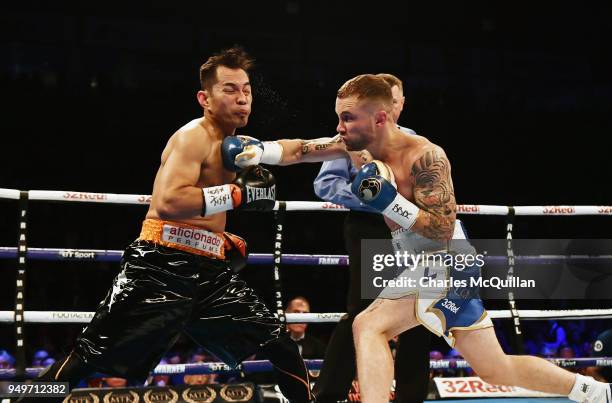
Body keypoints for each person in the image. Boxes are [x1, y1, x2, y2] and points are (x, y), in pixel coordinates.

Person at [222, 74, 612, 403]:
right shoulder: (354, 144)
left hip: (448, 262)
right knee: (496, 368)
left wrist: (391, 204)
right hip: (423, 265)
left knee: (368, 325)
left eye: (346, 118)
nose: (339, 128)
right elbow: (303, 150)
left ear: (378, 118)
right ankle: (593, 392)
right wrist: (261, 151)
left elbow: (442, 227)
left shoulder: (425, 156)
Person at [21, 47, 313, 403]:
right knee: (88, 356)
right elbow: (170, 201)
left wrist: (343, 144)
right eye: (230, 89)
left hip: (210, 274)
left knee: (278, 343)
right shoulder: (194, 136)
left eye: (247, 89)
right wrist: (237, 196)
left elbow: (295, 150)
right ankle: (21, 398)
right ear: (205, 98)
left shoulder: (240, 147)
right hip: (160, 264)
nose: (242, 98)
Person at [313, 73, 431, 403]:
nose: (389, 109)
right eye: (384, 103)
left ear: (400, 104)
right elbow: (324, 185)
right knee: (363, 310)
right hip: (367, 227)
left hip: (409, 228)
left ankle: (411, 396)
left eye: (395, 102)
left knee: (418, 310)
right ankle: (329, 393)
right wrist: (368, 196)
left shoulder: (416, 143)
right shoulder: (349, 137)